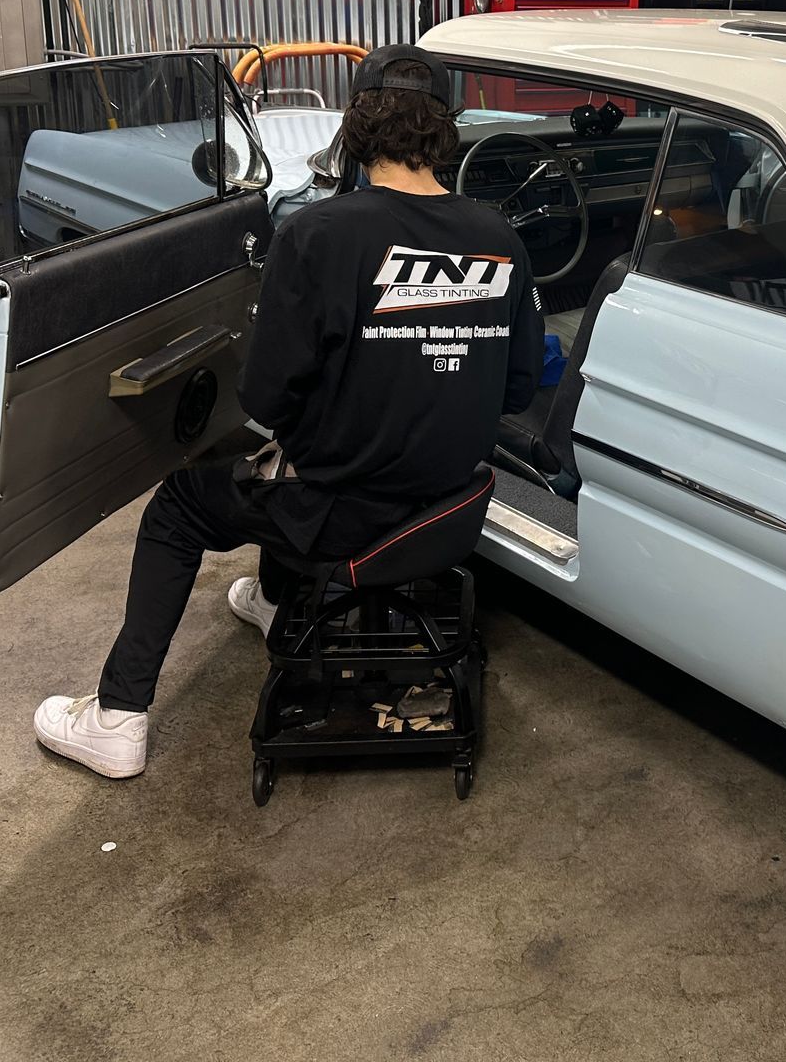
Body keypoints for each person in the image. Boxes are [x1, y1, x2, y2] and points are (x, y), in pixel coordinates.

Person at [33, 45, 544, 777]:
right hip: (447, 507)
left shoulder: (319, 235)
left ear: (356, 129)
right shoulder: (499, 237)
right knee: (302, 446)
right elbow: (517, 387)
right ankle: (278, 602)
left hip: (348, 513)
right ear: (445, 131)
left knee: (184, 501)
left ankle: (117, 716)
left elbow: (266, 397)